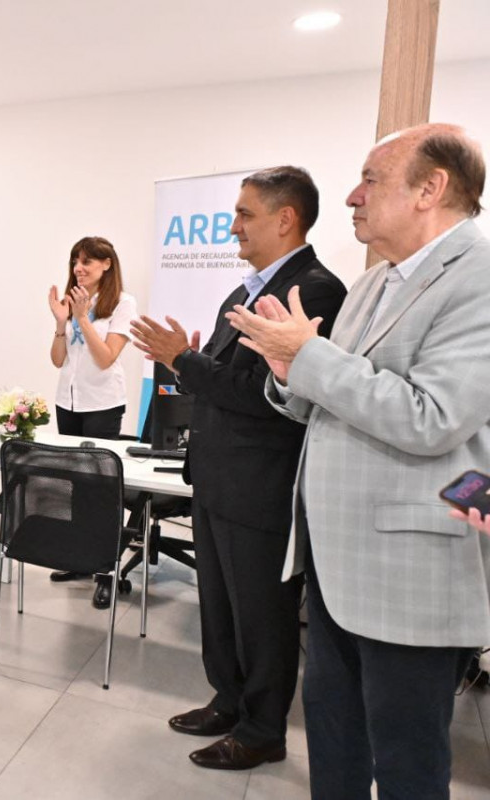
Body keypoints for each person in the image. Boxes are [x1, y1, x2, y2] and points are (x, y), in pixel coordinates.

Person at [228, 124, 490, 798]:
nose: (352, 196)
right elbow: (327, 401)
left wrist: (308, 357)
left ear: (430, 188)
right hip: (336, 563)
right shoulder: (374, 284)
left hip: (409, 570)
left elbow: (433, 417)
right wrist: (288, 371)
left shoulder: (481, 277)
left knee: (407, 766)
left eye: (371, 179)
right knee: (334, 745)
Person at [130, 166, 346, 771]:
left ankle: (262, 730)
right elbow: (221, 380)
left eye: (245, 214)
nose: (233, 227)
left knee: (263, 615)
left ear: (286, 219)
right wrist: (185, 363)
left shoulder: (314, 292)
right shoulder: (243, 292)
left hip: (261, 487)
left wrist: (183, 360)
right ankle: (228, 700)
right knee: (221, 606)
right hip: (218, 477)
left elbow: (265, 397)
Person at [46, 236, 138, 583]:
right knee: (76, 483)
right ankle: (81, 558)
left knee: (98, 487)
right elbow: (58, 360)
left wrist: (82, 318)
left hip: (102, 403)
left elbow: (106, 358)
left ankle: (104, 567)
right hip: (68, 401)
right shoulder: (72, 301)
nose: (78, 268)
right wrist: (61, 323)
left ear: (106, 264)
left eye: (86, 261)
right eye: (75, 261)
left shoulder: (123, 303)